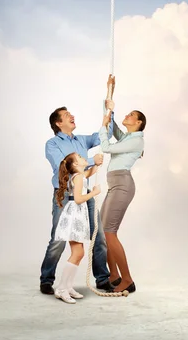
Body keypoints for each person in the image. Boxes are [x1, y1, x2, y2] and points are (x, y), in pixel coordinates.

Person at [39, 83, 116, 295]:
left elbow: (105, 134)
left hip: (84, 196)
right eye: (66, 114)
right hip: (64, 196)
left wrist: (109, 109)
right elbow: (63, 165)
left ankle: (102, 279)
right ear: (58, 122)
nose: (72, 115)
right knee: (58, 239)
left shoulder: (83, 139)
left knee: (97, 237)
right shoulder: (52, 144)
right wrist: (92, 160)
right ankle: (47, 279)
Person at [99, 93, 145, 294]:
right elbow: (114, 128)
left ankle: (127, 279)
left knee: (109, 232)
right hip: (115, 184)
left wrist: (103, 125)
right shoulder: (128, 137)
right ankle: (114, 275)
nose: (127, 115)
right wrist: (109, 106)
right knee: (103, 232)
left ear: (139, 122)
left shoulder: (136, 141)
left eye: (131, 114)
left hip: (122, 185)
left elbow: (106, 146)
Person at [52, 152, 101, 304]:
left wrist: (97, 163)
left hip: (76, 214)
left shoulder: (79, 175)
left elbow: (91, 171)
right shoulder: (78, 177)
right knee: (78, 253)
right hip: (76, 214)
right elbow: (79, 199)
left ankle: (67, 286)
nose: (83, 157)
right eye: (79, 157)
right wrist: (94, 193)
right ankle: (61, 288)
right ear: (75, 165)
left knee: (78, 252)